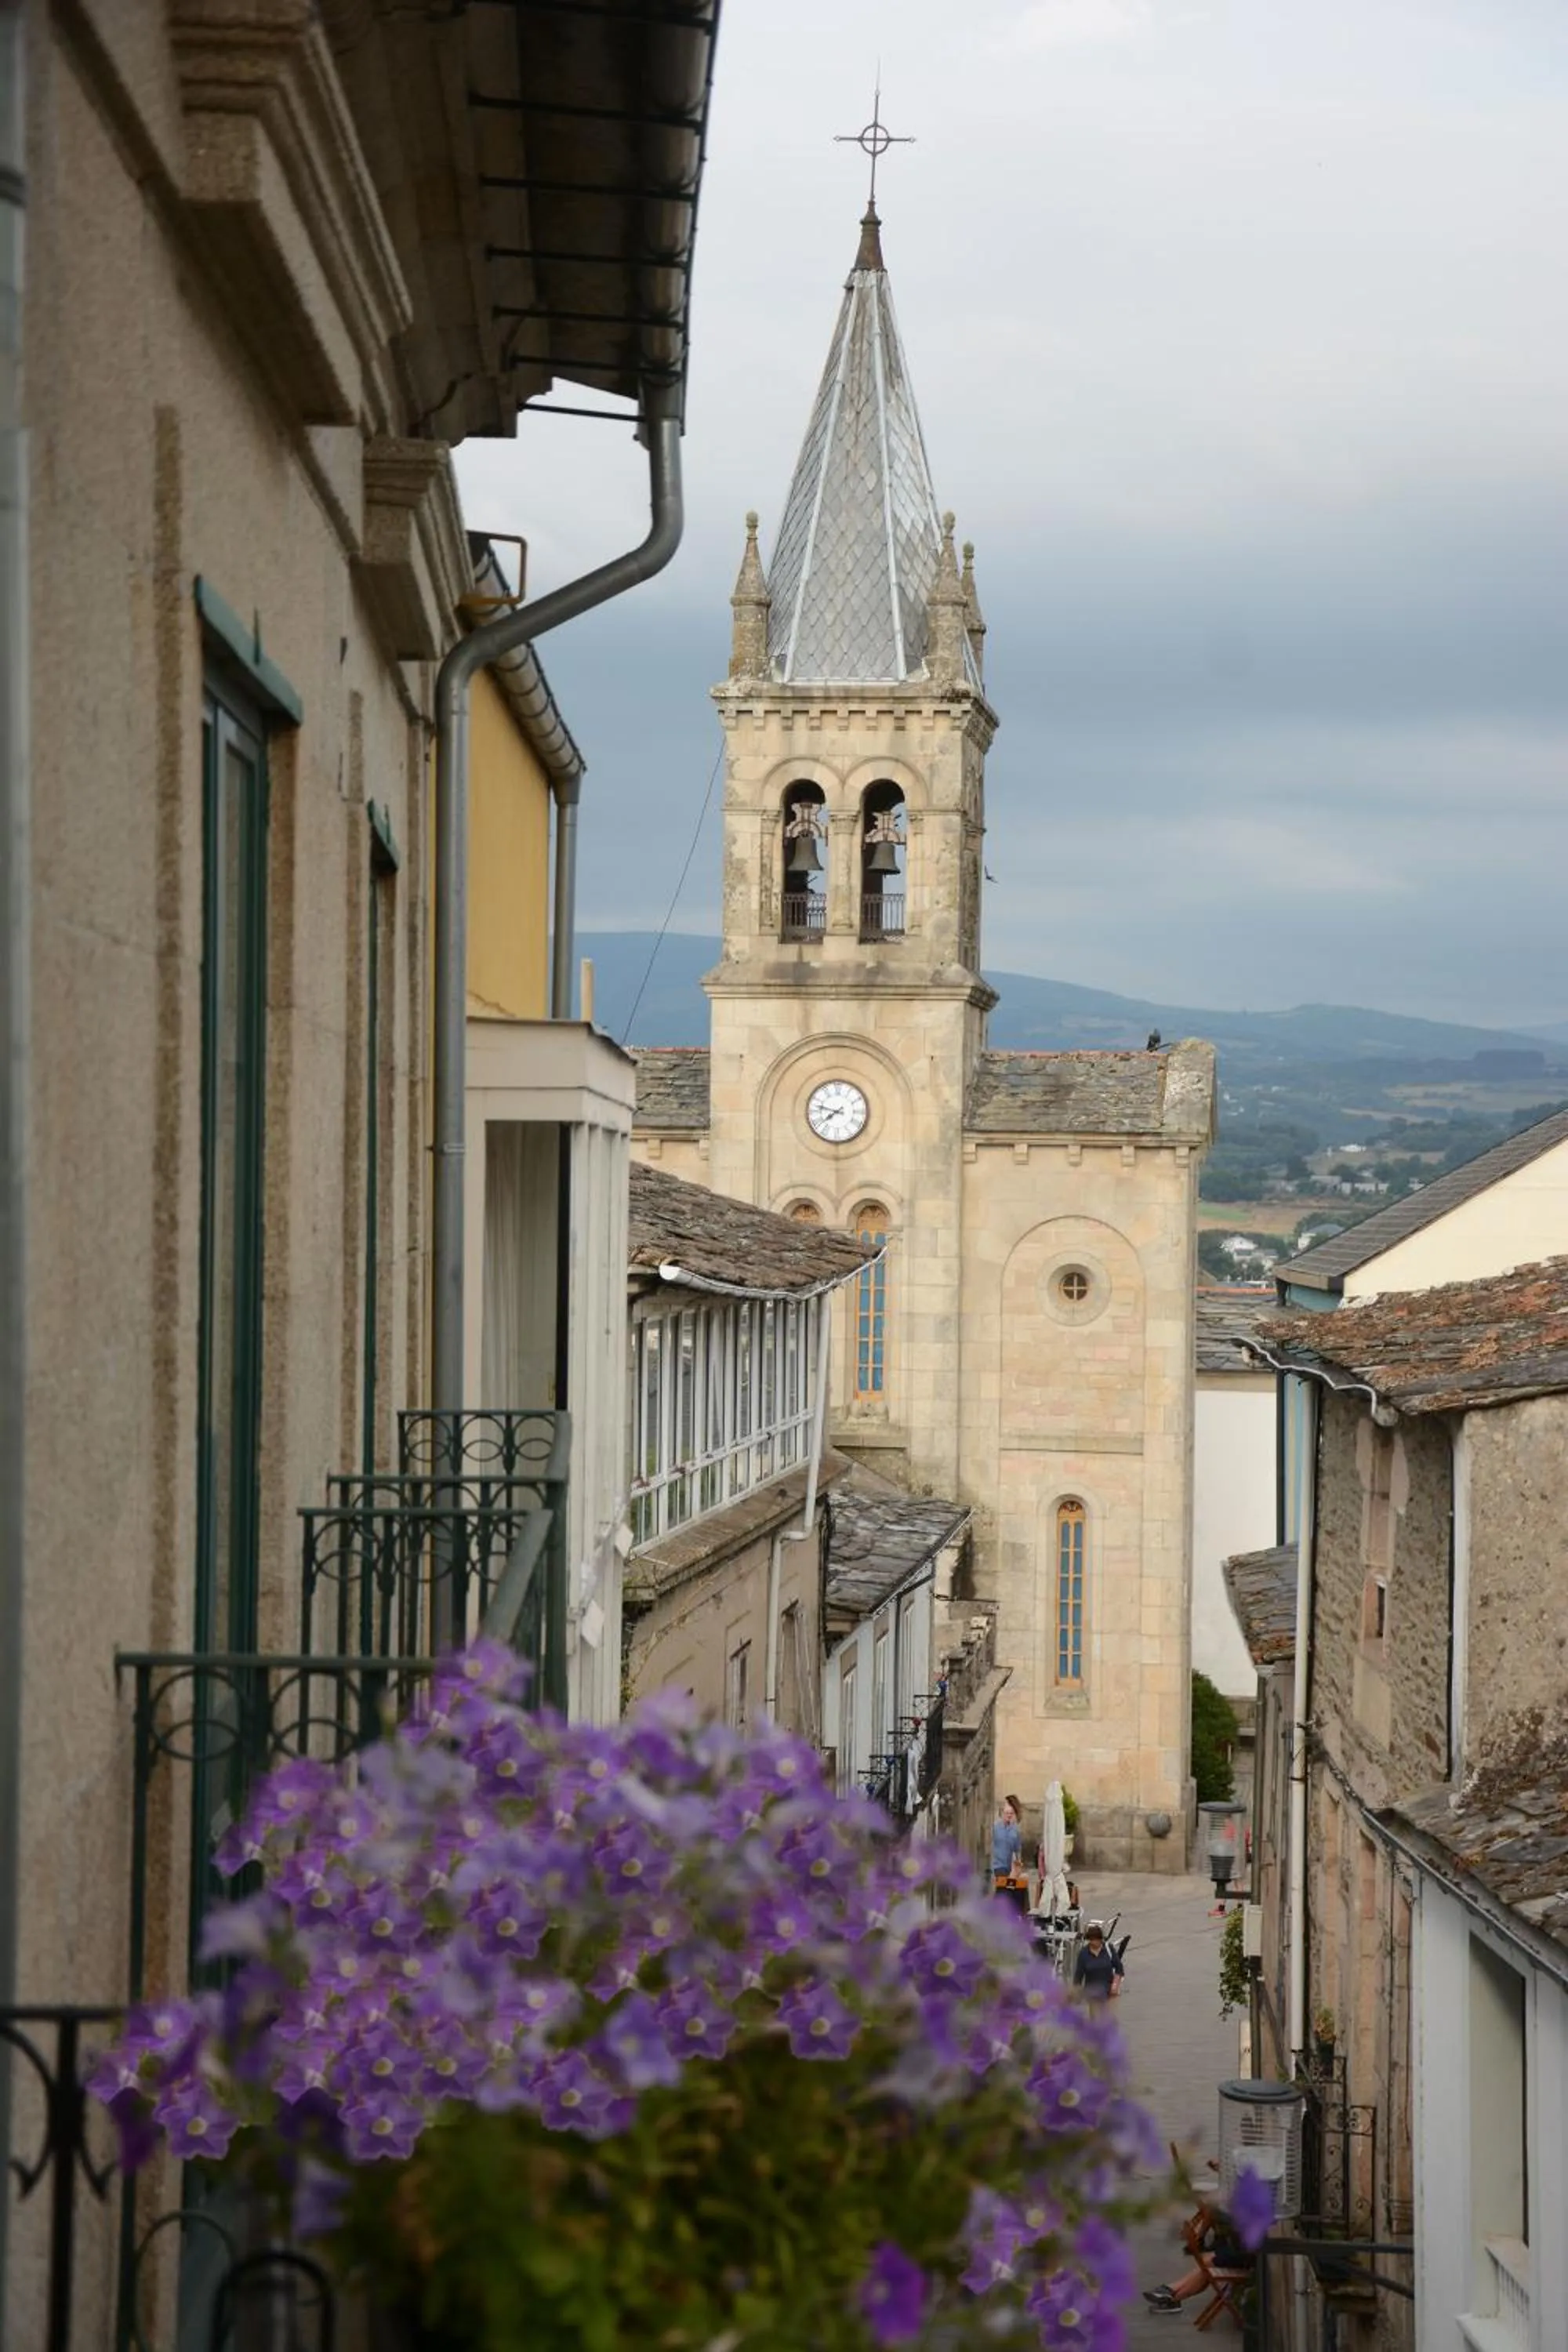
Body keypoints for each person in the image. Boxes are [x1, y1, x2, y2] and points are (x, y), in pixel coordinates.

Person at [1072, 1919, 1123, 2001]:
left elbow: (1119, 1968)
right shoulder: (1084, 1954)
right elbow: (1079, 1975)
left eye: (1096, 1940)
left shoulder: (1108, 1949)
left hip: (1109, 1994)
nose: (1094, 1942)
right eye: (1091, 1940)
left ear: (1101, 1939)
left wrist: (1115, 1984)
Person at [990, 1795, 1024, 1885]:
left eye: (1011, 1813)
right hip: (997, 1866)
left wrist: (1018, 1866)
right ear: (1002, 1813)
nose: (1009, 1815)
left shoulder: (1015, 1830)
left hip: (1010, 1868)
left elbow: (1017, 1850)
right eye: (1007, 1813)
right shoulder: (995, 1827)